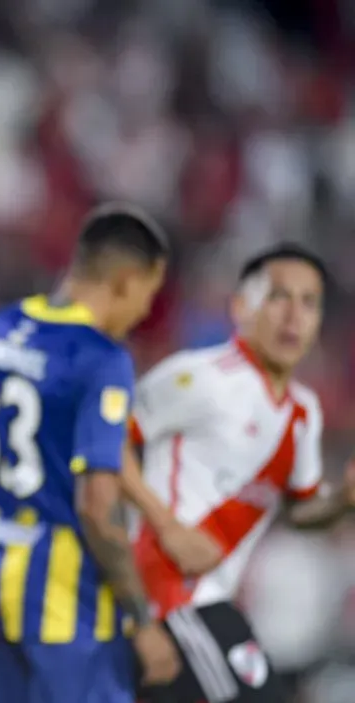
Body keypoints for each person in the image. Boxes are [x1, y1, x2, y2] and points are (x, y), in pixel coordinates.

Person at [0, 204, 181, 703]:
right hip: (65, 590)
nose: (144, 314)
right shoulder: (101, 358)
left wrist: (1, 526)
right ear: (128, 281)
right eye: (148, 296)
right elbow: (97, 508)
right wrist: (141, 619)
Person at [124, 242, 355, 703]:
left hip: (211, 599)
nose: (293, 316)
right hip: (172, 592)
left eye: (308, 303)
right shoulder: (198, 378)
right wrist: (166, 526)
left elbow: (298, 513)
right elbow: (104, 442)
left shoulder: (302, 414)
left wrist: (343, 500)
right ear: (241, 308)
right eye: (278, 298)